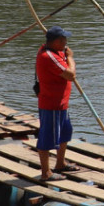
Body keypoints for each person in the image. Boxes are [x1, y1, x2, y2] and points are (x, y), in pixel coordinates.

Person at [36, 25, 79, 181]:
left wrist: (65, 55)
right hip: (51, 104)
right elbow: (70, 74)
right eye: (63, 40)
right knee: (47, 137)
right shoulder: (49, 56)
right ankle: (45, 172)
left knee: (65, 132)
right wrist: (71, 58)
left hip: (61, 103)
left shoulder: (56, 52)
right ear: (55, 42)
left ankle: (60, 163)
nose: (66, 43)